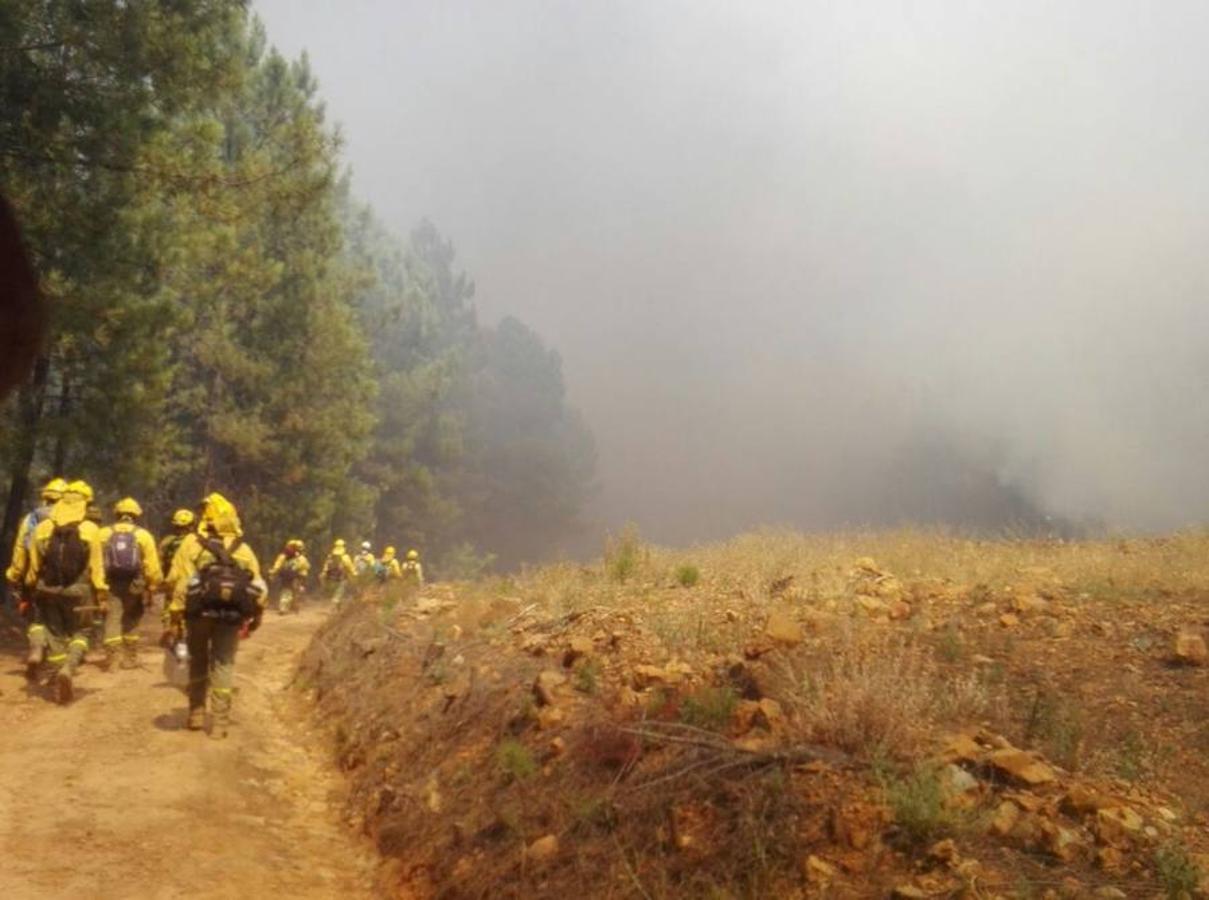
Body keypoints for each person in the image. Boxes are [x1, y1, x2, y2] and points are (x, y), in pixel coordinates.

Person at [164, 493, 265, 738]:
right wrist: (256, 617)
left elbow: (179, 583)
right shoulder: (244, 549)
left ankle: (196, 713)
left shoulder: (191, 544)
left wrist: (175, 616)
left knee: (198, 659)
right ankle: (220, 722)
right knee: (224, 663)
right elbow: (259, 589)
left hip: (198, 615)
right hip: (231, 618)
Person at [24, 480, 108, 703]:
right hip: (80, 592)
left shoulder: (43, 528)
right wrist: (101, 595)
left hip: (48, 590)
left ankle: (55, 674)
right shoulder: (90, 530)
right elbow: (97, 568)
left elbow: (34, 567)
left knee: (55, 634)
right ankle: (68, 668)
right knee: (83, 632)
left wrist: (31, 586)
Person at [5, 476, 66, 680]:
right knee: (60, 623)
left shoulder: (31, 518)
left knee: (36, 617)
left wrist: (15, 574)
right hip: (65, 581)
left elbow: (20, 548)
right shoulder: (74, 520)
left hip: (34, 578)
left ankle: (37, 648)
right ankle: (56, 666)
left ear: (45, 497)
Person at [97, 497, 162, 669]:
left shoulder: (103, 533)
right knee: (132, 617)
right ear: (136, 515)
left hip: (110, 583)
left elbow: (95, 563)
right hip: (135, 584)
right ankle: (130, 658)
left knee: (112, 618)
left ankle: (112, 659)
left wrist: (98, 586)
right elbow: (152, 566)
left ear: (117, 514)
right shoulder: (143, 535)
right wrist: (152, 586)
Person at [269, 539, 310, 614]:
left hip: (293, 577)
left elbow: (304, 569)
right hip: (290, 577)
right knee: (288, 591)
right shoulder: (287, 557)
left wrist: (273, 572)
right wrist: (273, 572)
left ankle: (291, 605)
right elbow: (277, 566)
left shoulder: (299, 558)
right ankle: (285, 607)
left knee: (292, 592)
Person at [158, 508, 196, 575]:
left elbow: (159, 564)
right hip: (192, 578)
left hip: (171, 578)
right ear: (191, 526)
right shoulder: (197, 541)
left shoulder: (166, 541)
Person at [319, 539, 356, 605]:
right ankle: (337, 598)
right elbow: (350, 567)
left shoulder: (330, 556)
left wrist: (324, 572)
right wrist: (354, 573)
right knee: (344, 584)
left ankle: (327, 594)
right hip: (340, 577)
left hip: (331, 577)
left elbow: (326, 565)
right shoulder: (345, 557)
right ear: (344, 546)